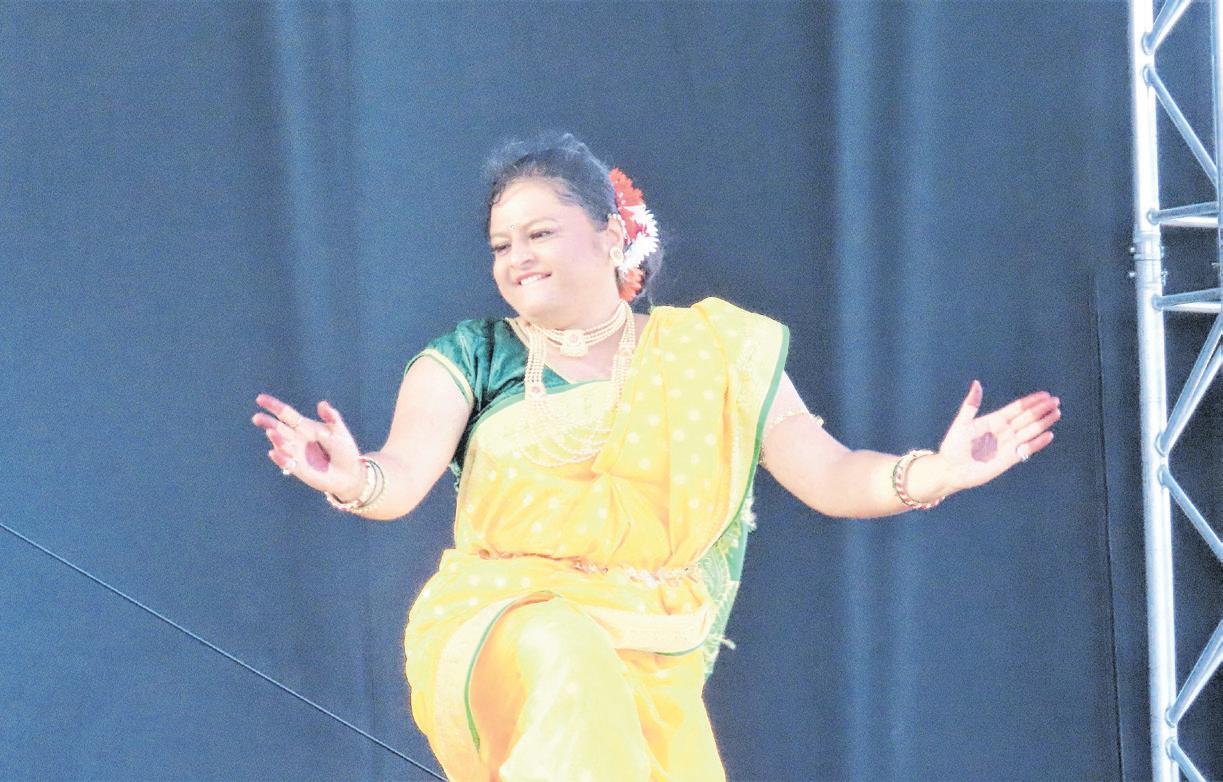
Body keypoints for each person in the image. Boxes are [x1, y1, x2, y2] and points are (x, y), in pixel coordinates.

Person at [250, 133, 1061, 781]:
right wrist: (354, 479)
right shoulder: (473, 355)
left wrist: (934, 472)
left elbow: (827, 473)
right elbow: (400, 476)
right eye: (500, 244)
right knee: (566, 649)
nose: (516, 257)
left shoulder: (712, 352)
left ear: (610, 235)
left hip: (649, 643)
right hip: (508, 622)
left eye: (539, 233)